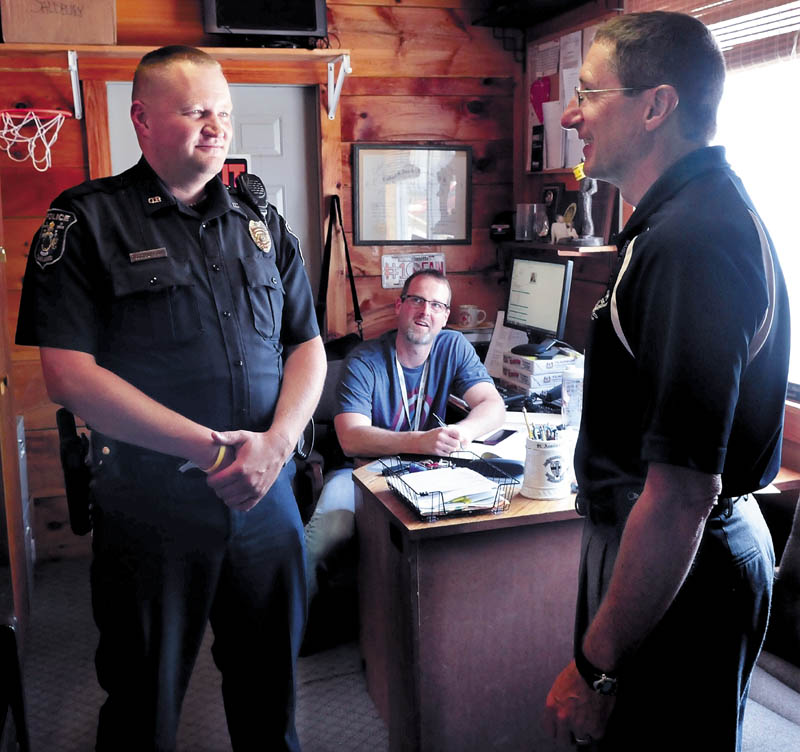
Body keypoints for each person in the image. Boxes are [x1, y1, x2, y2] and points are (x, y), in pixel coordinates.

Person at [15, 46, 326, 751]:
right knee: (142, 703)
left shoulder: (260, 220)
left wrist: (274, 446)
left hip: (267, 497)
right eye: (195, 112)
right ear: (142, 120)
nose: (216, 127)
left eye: (223, 112)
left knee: (271, 696)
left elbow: (307, 342)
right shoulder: (87, 221)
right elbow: (68, 374)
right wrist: (213, 449)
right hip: (152, 505)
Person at [543, 12, 790, 751]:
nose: (571, 111)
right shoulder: (673, 223)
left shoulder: (694, 242)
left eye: (588, 92)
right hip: (661, 545)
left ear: (656, 105)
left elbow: (683, 491)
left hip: (689, 561)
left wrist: (594, 668)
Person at [304, 269, 506, 600]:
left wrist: (462, 431)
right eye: (417, 300)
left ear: (445, 317)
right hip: (361, 473)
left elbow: (492, 405)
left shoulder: (453, 346)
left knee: (468, 536)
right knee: (325, 536)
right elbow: (350, 438)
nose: (426, 311)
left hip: (428, 471)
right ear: (399, 306)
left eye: (437, 306)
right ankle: (299, 633)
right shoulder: (364, 360)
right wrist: (419, 441)